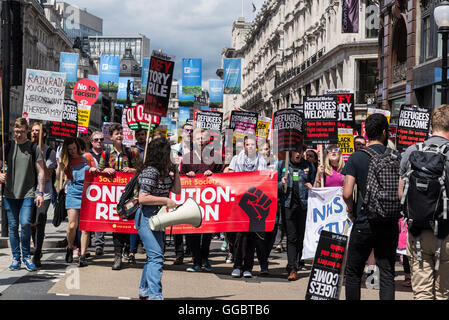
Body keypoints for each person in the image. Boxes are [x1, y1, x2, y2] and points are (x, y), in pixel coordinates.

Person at [342, 113, 400, 300]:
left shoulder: (356, 157)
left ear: (366, 133)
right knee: (387, 273)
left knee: (353, 273)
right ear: (385, 132)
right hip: (389, 222)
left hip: (364, 221)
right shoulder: (396, 157)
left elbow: (347, 193)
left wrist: (351, 211)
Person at [398, 104, 449, 300]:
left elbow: (400, 193)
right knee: (443, 293)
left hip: (417, 232)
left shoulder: (411, 151)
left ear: (431, 126)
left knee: (422, 293)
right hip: (445, 233)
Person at [136, 137, 181, 300]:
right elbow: (142, 198)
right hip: (146, 216)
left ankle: (144, 291)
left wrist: (175, 171)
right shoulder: (150, 171)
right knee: (156, 257)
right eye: (169, 153)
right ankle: (155, 295)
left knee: (153, 256)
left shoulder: (164, 172)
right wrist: (165, 201)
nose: (171, 156)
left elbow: (177, 190)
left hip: (158, 217)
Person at [0, 118, 46, 272]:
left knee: (25, 223)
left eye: (21, 131)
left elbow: (41, 171)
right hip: (9, 193)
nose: (18, 134)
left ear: (27, 131)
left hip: (27, 193)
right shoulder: (7, 146)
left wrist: (40, 192)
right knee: (13, 227)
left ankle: (26, 256)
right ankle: (15, 258)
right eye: (16, 131)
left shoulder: (33, 147)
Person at [99, 123, 140, 270]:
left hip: (129, 194)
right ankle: (117, 255)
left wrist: (131, 169)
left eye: (121, 133)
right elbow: (100, 171)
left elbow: (140, 170)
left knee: (127, 223)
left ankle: (127, 250)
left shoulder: (131, 153)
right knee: (115, 225)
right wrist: (106, 170)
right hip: (113, 195)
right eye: (117, 133)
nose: (120, 136)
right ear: (111, 137)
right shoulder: (106, 153)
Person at [181, 129, 222, 272]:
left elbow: (222, 178)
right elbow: (180, 178)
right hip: (192, 201)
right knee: (192, 231)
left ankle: (205, 258)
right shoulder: (187, 158)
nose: (200, 140)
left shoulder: (215, 157)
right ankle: (196, 260)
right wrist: (188, 175)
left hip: (208, 200)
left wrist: (213, 175)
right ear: (193, 140)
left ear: (207, 140)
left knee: (207, 231)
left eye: (202, 138)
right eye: (197, 138)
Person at [228, 135, 268, 278]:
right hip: (239, 201)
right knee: (239, 235)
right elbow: (230, 176)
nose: (250, 147)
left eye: (252, 144)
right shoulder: (236, 159)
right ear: (243, 146)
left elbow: (263, 179)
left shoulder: (261, 160)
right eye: (247, 144)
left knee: (251, 236)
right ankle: (237, 265)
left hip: (254, 202)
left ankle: (248, 268)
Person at [57, 137, 97, 267]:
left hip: (88, 194)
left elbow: (96, 171)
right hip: (73, 193)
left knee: (85, 227)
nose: (73, 151)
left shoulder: (87, 156)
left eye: (74, 148)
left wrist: (93, 169)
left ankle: (83, 255)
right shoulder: (67, 161)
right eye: (69, 150)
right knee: (72, 226)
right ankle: (69, 247)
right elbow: (66, 176)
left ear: (78, 146)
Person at [278, 143, 316, 280]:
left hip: (303, 206)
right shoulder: (282, 165)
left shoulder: (308, 166)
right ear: (290, 152)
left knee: (300, 237)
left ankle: (297, 262)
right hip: (288, 205)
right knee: (292, 237)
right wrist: (281, 183)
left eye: (301, 150)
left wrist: (313, 185)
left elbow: (315, 183)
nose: (299, 154)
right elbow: (274, 185)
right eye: (296, 151)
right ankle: (292, 267)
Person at [30, 123, 57, 267]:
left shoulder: (49, 152)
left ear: (44, 134)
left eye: (38, 131)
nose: (34, 133)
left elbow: (46, 176)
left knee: (39, 222)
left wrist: (40, 157)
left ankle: (37, 253)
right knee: (31, 223)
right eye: (33, 130)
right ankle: (36, 248)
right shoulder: (27, 149)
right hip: (29, 192)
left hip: (44, 193)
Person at [170, 122, 193, 265]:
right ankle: (179, 253)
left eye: (191, 131)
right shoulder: (173, 149)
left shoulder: (196, 150)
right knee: (177, 220)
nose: (188, 133)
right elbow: (168, 166)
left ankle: (190, 249)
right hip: (176, 187)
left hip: (191, 188)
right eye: (186, 131)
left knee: (190, 219)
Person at [87, 131, 106, 256]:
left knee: (101, 217)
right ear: (91, 142)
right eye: (96, 140)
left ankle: (98, 244)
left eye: (101, 139)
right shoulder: (86, 155)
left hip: (104, 190)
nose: (99, 141)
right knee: (88, 217)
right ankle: (84, 243)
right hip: (90, 190)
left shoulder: (108, 154)